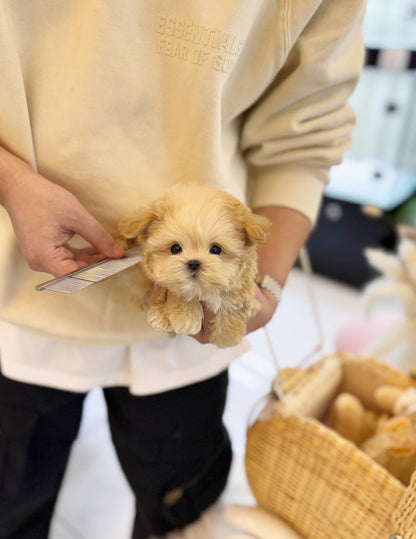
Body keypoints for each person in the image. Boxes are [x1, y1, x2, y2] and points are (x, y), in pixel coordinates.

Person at [0, 1, 366, 537]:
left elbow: (305, 137)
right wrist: (11, 182)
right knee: (12, 504)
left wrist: (261, 284)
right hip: (17, 299)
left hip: (190, 337)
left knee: (179, 511)